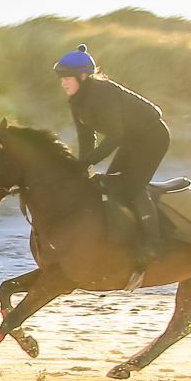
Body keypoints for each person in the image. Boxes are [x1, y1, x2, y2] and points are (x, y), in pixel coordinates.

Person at [54, 45, 171, 279]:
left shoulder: (101, 93)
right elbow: (87, 137)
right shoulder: (77, 100)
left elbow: (115, 135)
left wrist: (88, 161)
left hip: (152, 137)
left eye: (67, 78)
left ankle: (152, 243)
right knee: (110, 186)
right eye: (62, 79)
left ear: (83, 76)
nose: (64, 83)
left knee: (129, 187)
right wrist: (82, 168)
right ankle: (122, 236)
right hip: (132, 139)